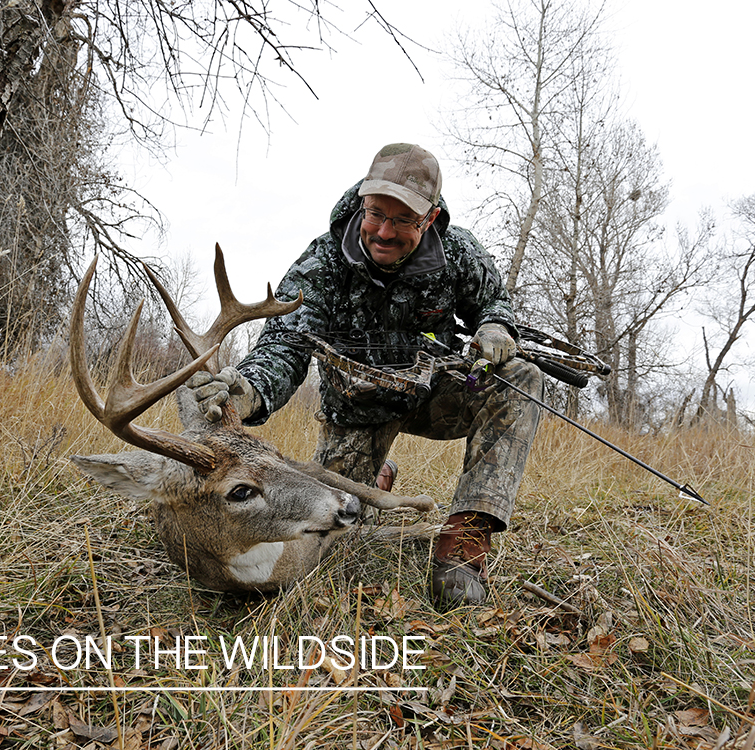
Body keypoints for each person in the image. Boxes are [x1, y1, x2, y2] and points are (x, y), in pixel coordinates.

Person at [187, 143, 543, 608]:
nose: (383, 231)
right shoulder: (322, 264)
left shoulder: (459, 254)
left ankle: (464, 545)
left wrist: (496, 325)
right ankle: (377, 478)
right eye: (376, 213)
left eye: (402, 221)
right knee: (331, 540)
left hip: (435, 395)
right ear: (361, 203)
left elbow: (495, 300)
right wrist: (249, 388)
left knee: (521, 378)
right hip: (358, 409)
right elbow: (285, 346)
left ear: (429, 219)